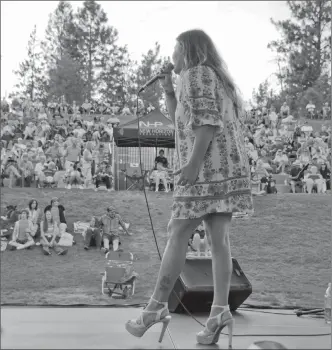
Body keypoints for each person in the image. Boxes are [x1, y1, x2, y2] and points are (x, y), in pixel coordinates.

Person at [125, 29, 253, 347]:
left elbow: (207, 124)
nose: (172, 57)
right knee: (218, 239)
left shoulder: (196, 74)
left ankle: (155, 307)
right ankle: (219, 312)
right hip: (229, 168)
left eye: (175, 49)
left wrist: (193, 166)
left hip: (207, 167)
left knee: (178, 231)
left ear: (187, 50)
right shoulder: (213, 77)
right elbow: (182, 120)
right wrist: (169, 89)